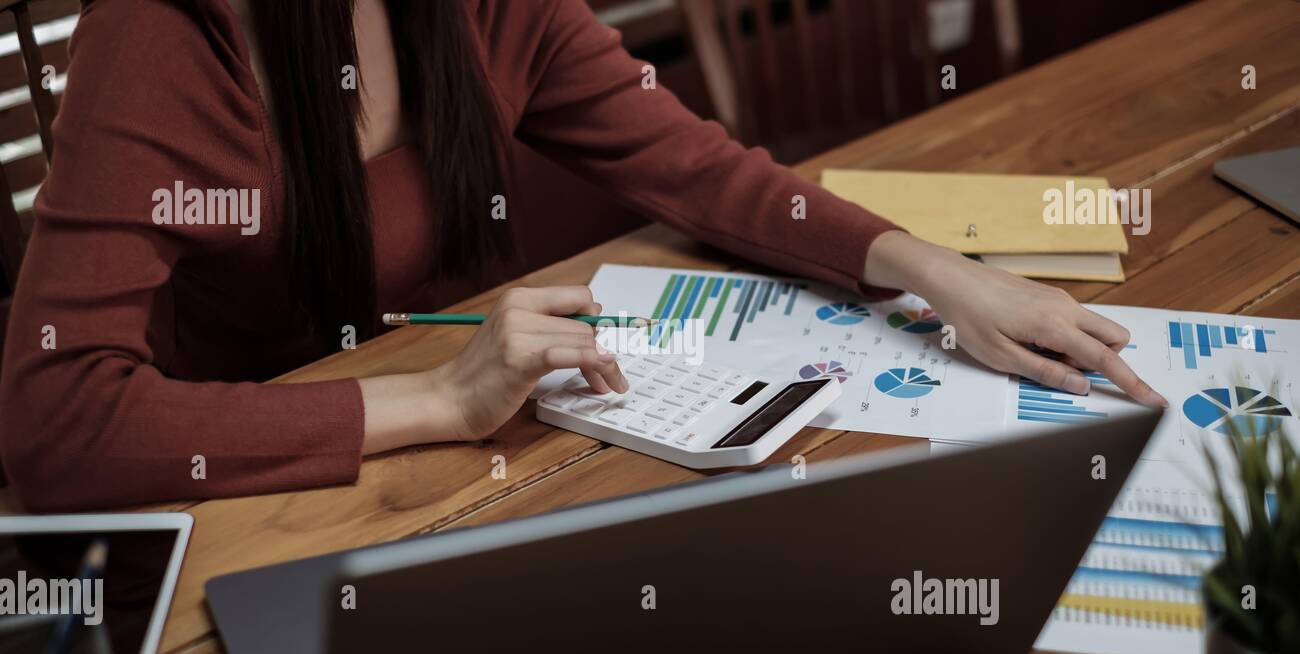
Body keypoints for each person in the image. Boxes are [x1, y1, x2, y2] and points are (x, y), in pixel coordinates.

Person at [0, 0, 1165, 511]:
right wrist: (440, 400)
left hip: (465, 467)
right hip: (254, 481)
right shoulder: (158, 36)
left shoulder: (492, 7)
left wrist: (938, 272)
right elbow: (56, 425)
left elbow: (700, 172)